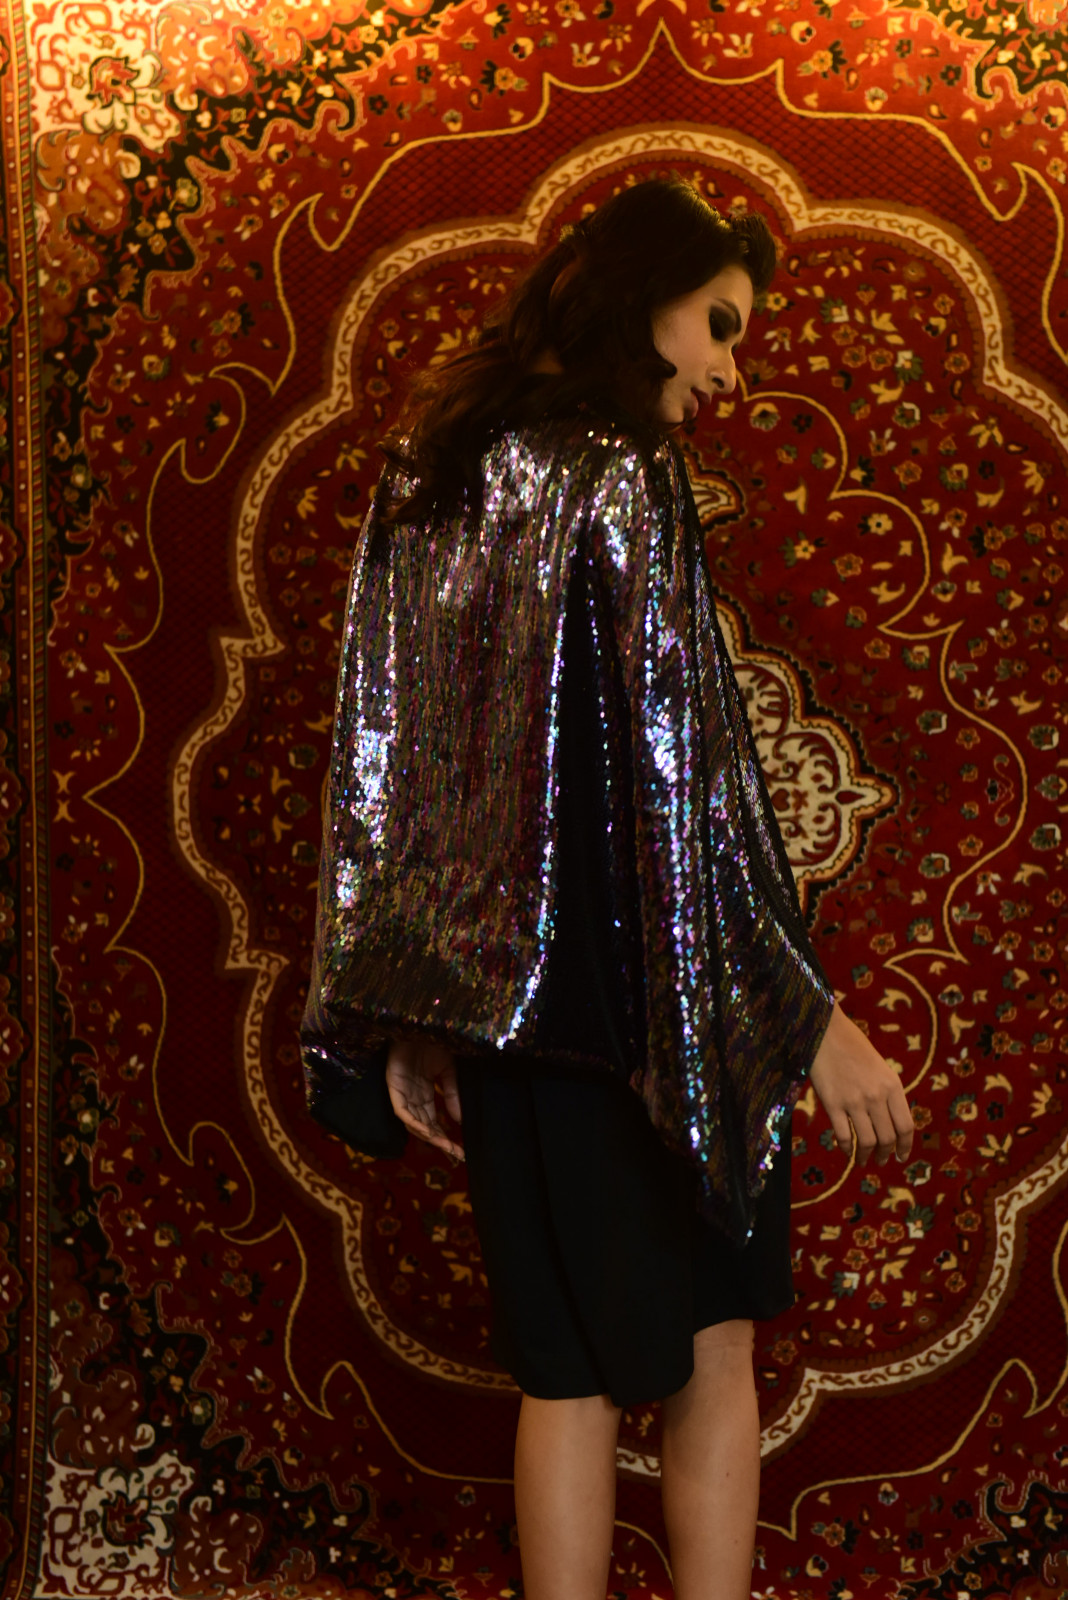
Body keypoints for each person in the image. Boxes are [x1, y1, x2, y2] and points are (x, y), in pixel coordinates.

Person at [301, 176, 914, 1600]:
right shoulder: (619, 470)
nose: (730, 369)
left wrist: (413, 1010)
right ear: (646, 293)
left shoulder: (435, 468)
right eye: (719, 324)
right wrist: (808, 1018)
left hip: (511, 1026)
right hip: (656, 1008)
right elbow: (683, 775)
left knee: (563, 1370)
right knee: (713, 1347)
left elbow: (395, 758)